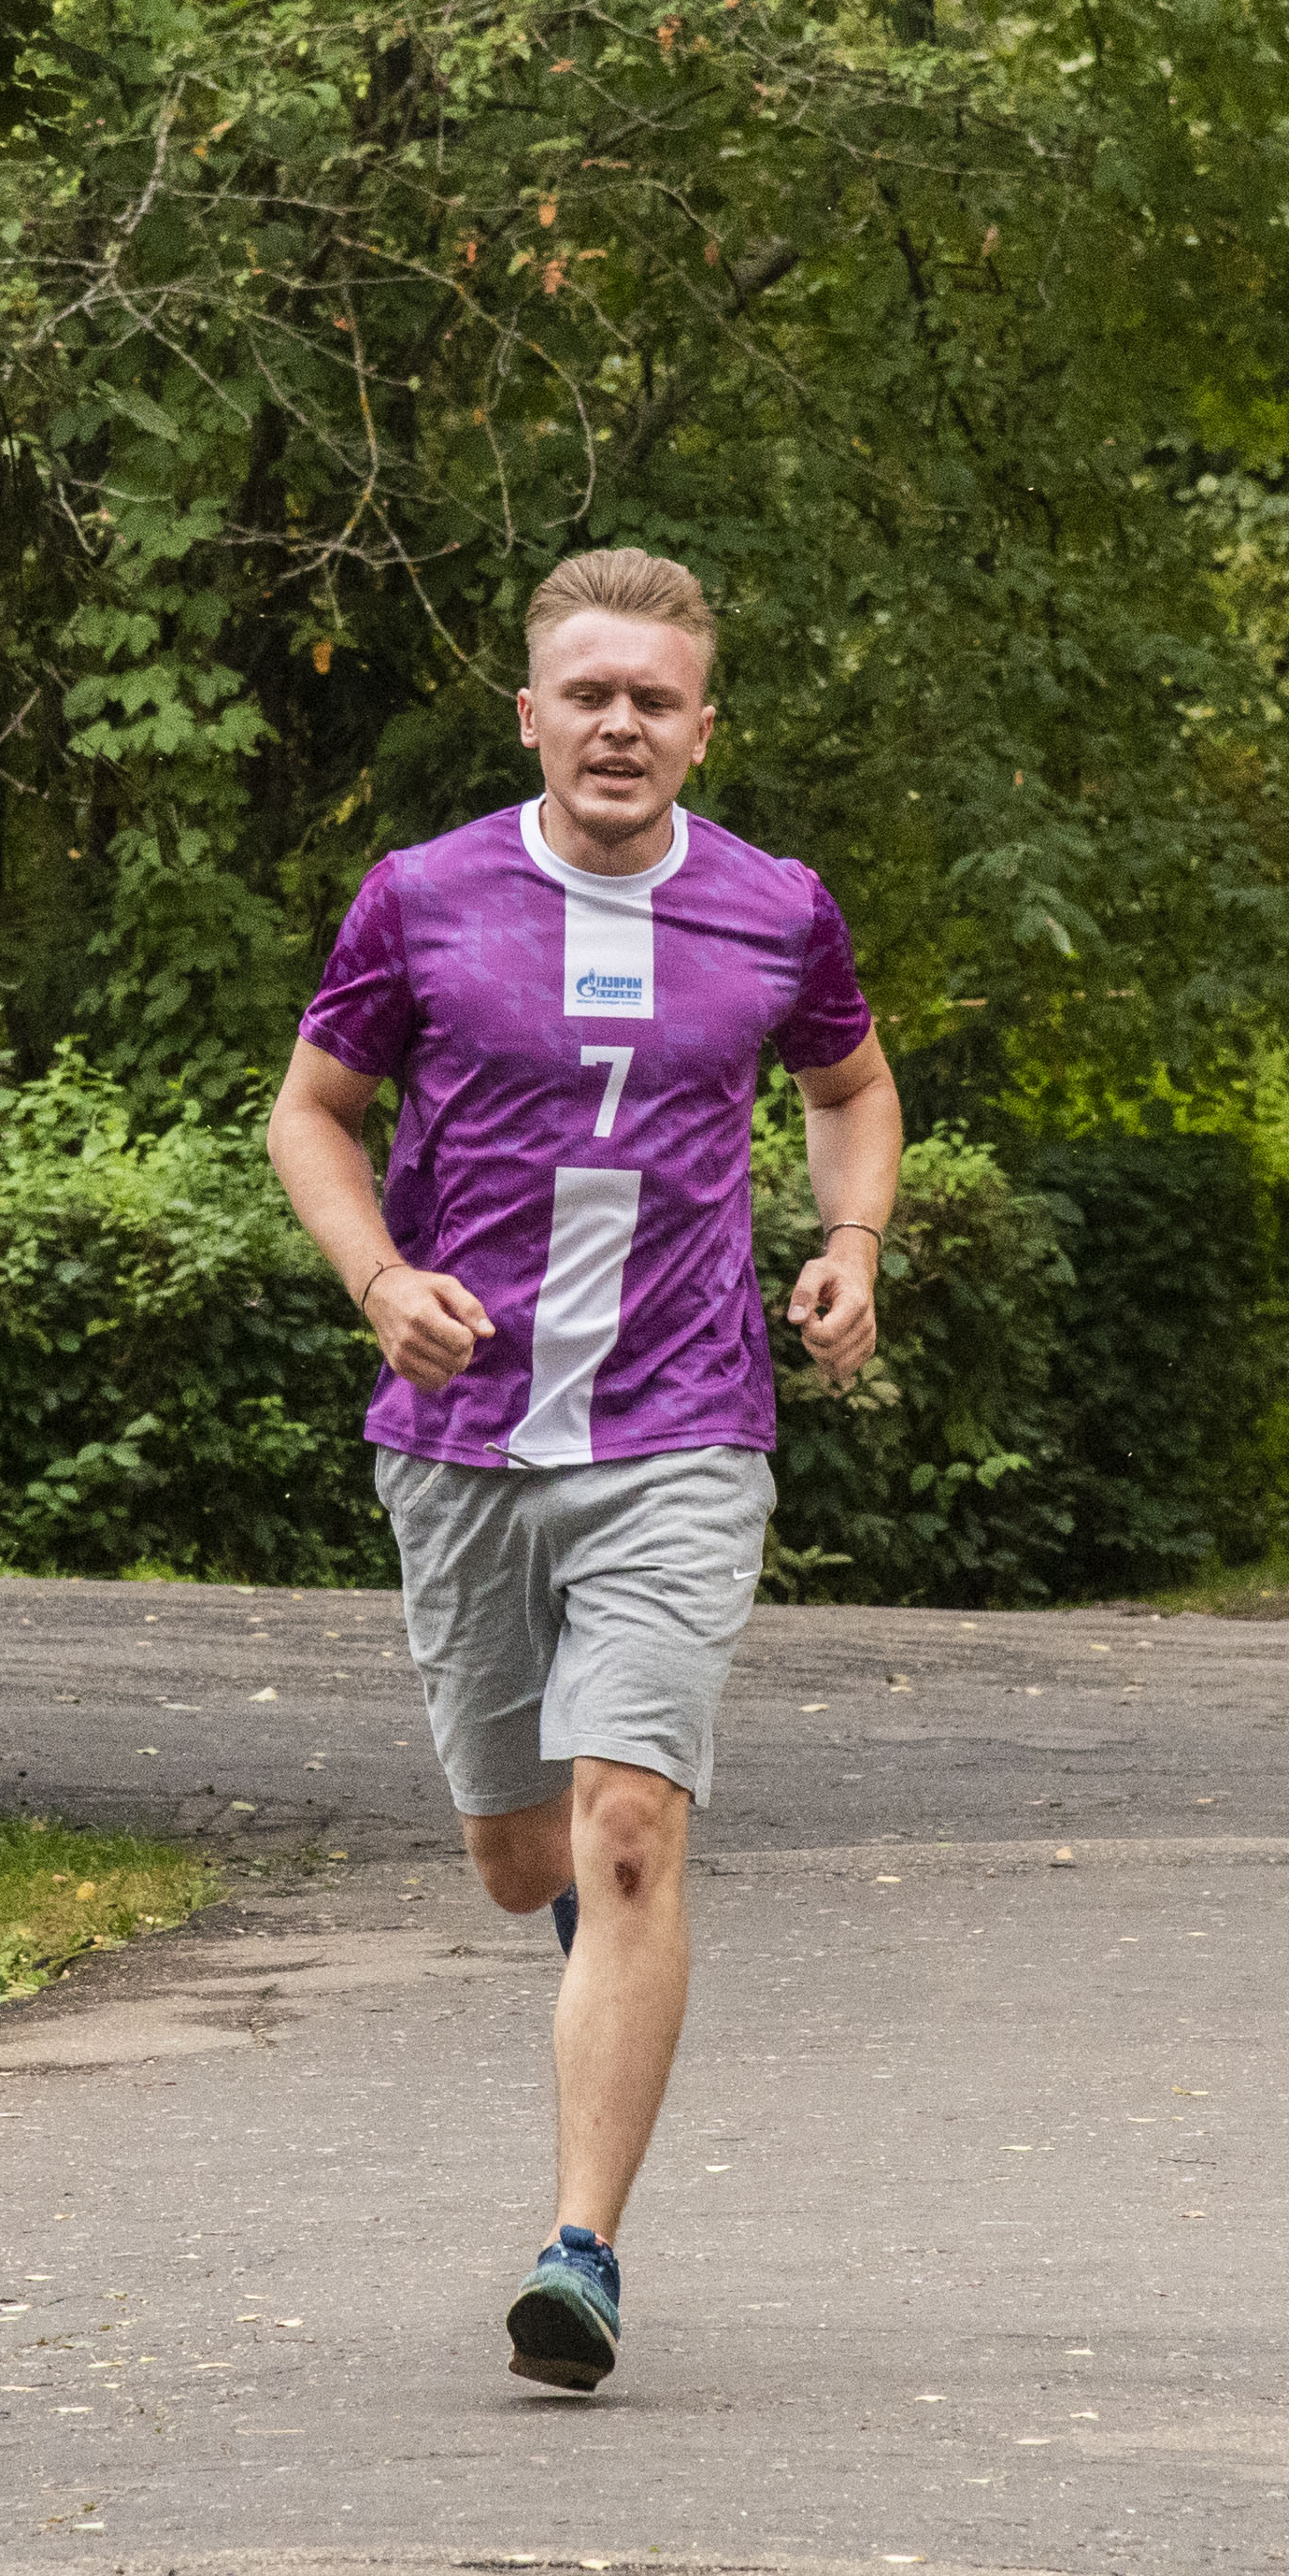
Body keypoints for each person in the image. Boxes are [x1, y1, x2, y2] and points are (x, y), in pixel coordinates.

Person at [270, 547, 903, 2398]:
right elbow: (311, 1109)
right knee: (515, 1855)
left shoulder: (777, 908)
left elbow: (849, 1086)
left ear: (703, 725)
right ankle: (572, 1930)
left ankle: (579, 2251)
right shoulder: (421, 896)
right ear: (530, 712)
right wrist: (381, 1278)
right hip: (462, 1436)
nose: (619, 721)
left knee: (631, 1833)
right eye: (588, 691)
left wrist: (851, 1239)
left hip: (681, 1424)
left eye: (655, 695)